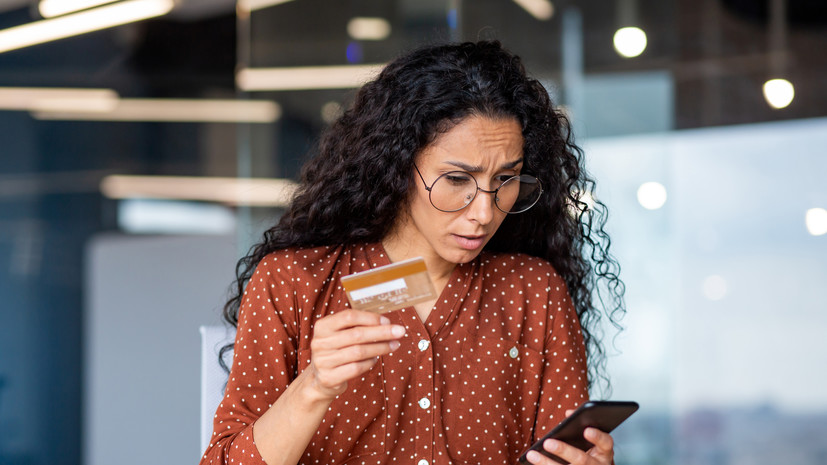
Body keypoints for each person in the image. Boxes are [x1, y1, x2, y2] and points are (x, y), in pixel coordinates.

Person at [200, 40, 625, 465]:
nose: (483, 212)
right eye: (458, 179)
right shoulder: (294, 283)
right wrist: (312, 386)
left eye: (506, 179)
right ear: (398, 165)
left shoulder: (532, 292)